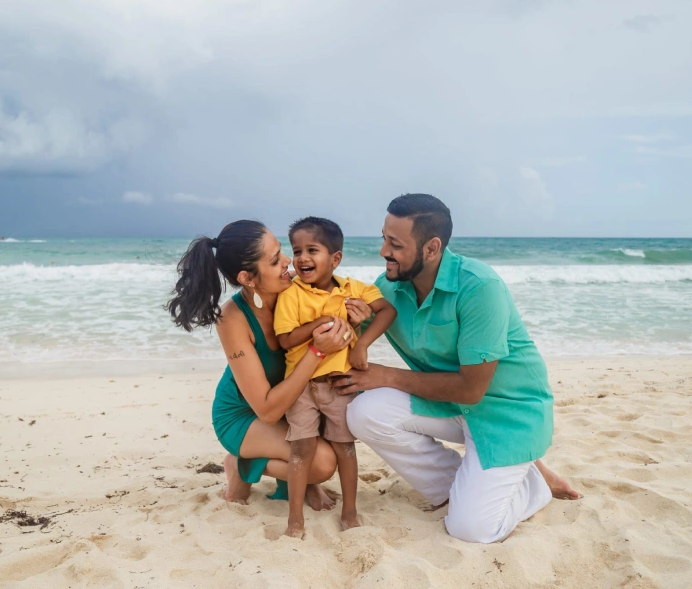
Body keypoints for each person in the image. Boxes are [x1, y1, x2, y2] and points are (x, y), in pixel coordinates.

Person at [330, 194, 580, 544]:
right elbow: (345, 337)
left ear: (431, 248)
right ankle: (465, 486)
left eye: (395, 244)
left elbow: (471, 390)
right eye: (384, 238)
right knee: (364, 412)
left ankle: (533, 486)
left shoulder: (480, 286)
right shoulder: (387, 288)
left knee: (471, 529)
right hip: (447, 405)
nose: (383, 251)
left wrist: (385, 375)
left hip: (507, 414)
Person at [167, 220, 354, 510]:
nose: (288, 262)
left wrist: (360, 313)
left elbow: (341, 299)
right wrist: (316, 351)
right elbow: (267, 409)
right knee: (322, 464)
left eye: (281, 252)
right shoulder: (233, 318)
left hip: (294, 404)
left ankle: (302, 481)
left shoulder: (297, 288)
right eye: (275, 260)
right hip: (245, 414)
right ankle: (242, 463)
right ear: (247, 278)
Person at [274, 217, 397, 537]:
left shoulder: (354, 290)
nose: (301, 258)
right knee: (301, 450)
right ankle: (295, 519)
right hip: (301, 387)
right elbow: (285, 340)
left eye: (312, 250)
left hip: (340, 385)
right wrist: (320, 324)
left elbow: (387, 311)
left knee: (345, 448)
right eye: (296, 250)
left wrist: (362, 345)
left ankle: (350, 512)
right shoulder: (292, 294)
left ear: (335, 258)